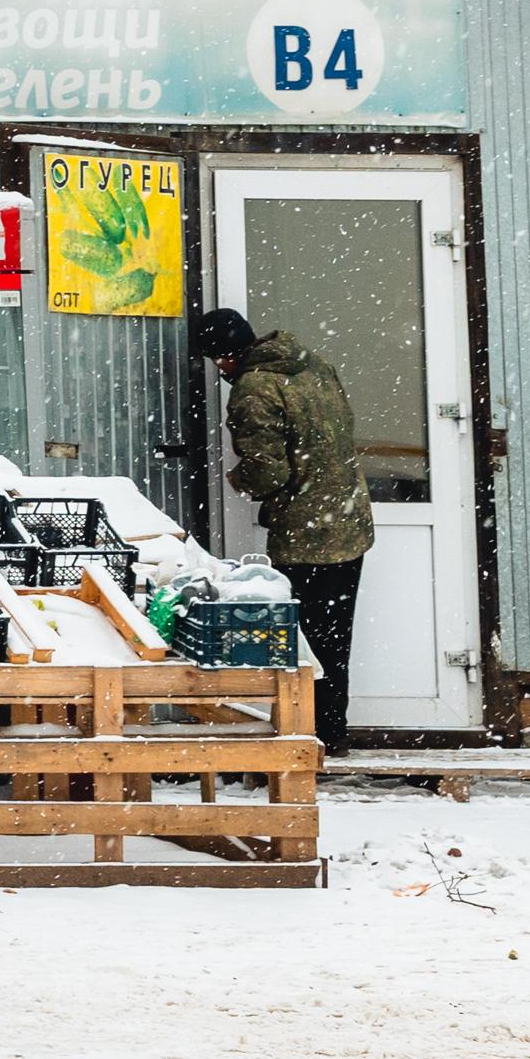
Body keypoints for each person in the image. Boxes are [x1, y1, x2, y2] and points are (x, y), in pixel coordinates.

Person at [193, 305, 373, 747]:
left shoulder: (255, 389)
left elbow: (267, 472)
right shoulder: (311, 363)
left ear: (224, 357)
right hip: (348, 520)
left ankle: (305, 735)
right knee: (333, 637)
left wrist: (236, 480)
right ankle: (331, 731)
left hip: (306, 532)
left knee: (302, 643)